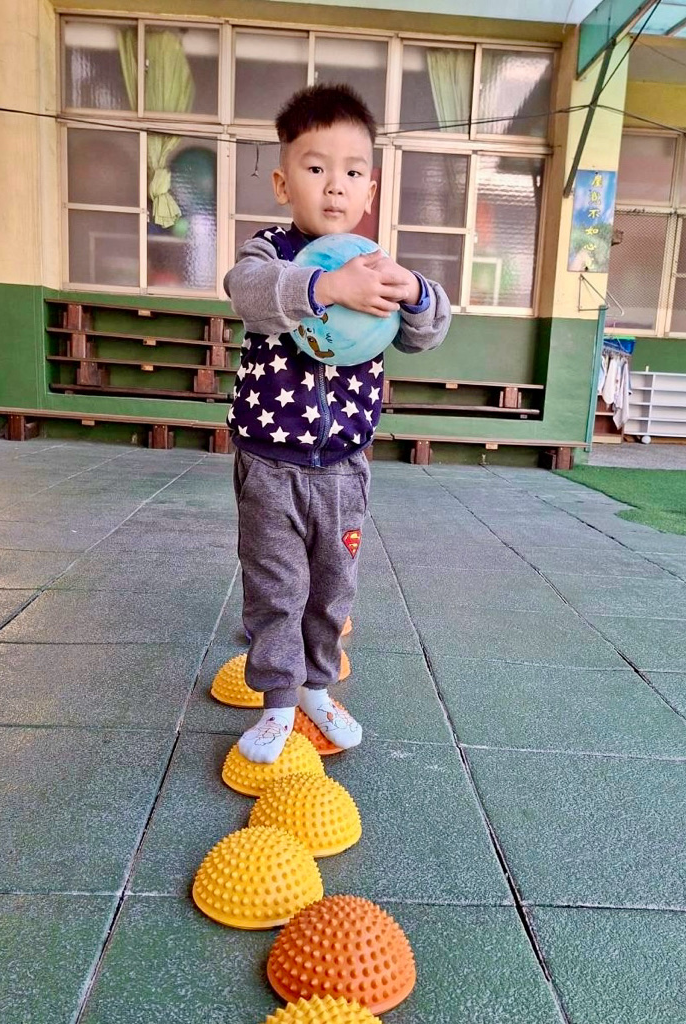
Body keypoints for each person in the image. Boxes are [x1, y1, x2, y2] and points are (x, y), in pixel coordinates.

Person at [224, 83, 451, 764]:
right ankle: (277, 703)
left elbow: (424, 335)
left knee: (332, 589)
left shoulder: (377, 262)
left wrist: (417, 293)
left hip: (345, 467)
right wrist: (325, 287)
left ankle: (318, 688)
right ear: (282, 182)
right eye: (316, 166)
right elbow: (245, 292)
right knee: (276, 587)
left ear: (369, 190)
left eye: (352, 172)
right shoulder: (269, 253)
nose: (334, 185)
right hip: (271, 462)